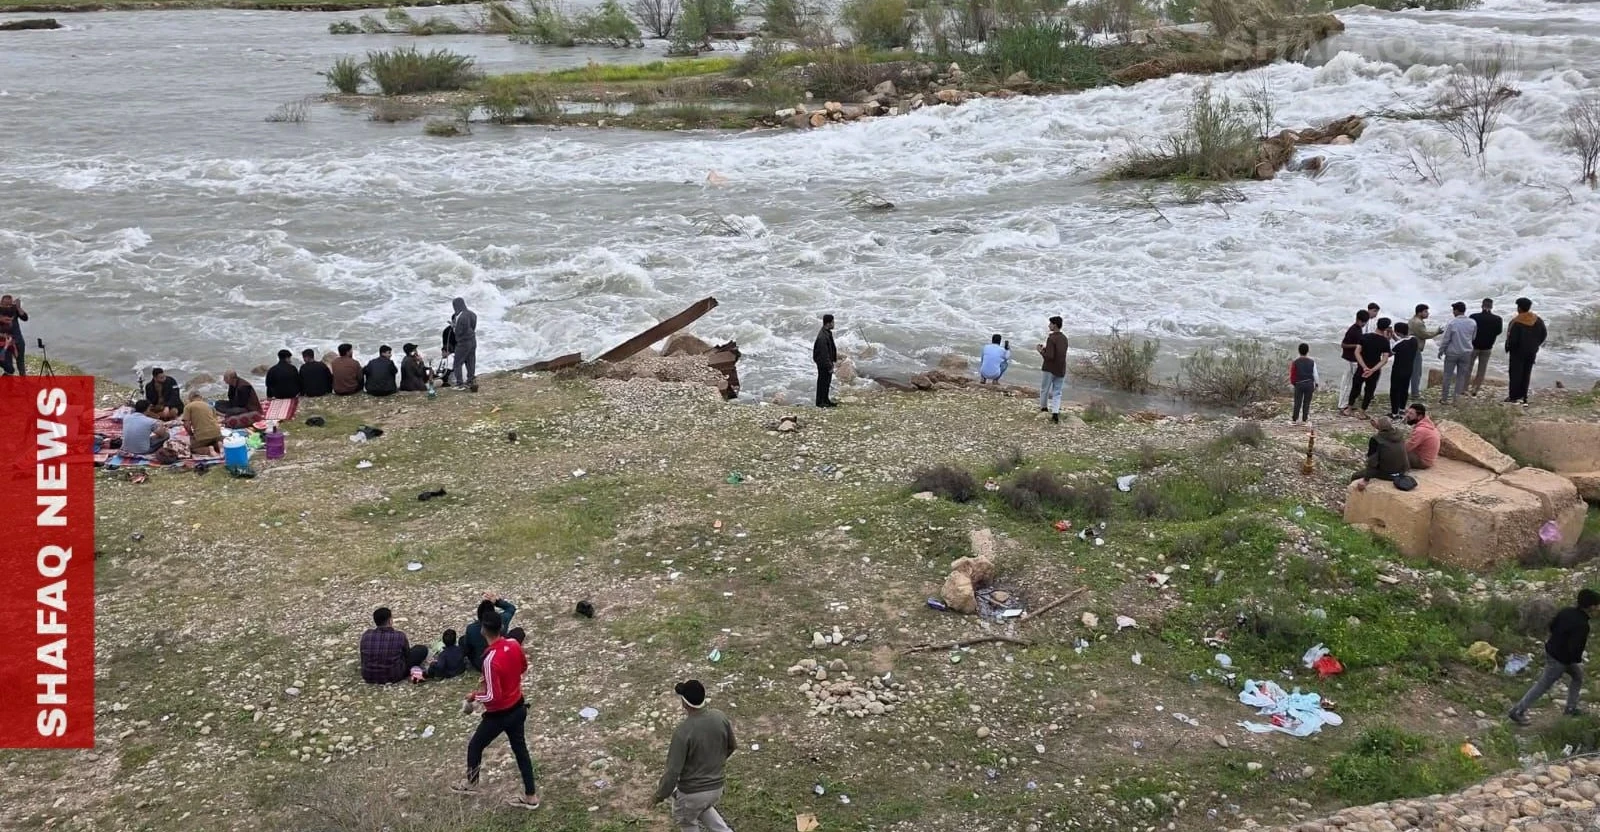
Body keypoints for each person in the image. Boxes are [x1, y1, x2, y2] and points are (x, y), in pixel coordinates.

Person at [453, 613, 539, 810]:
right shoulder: (514, 644)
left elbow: (494, 696)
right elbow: (522, 667)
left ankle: (471, 784)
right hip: (518, 706)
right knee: (521, 751)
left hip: (500, 714)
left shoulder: (490, 659)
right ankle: (531, 795)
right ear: (500, 628)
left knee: (475, 746)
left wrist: (475, 696)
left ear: (483, 629)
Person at [652, 679, 737, 832]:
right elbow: (731, 746)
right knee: (702, 808)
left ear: (684, 703)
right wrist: (713, 764)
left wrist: (659, 796)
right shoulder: (720, 717)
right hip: (716, 788)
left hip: (692, 793)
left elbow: (672, 772)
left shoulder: (683, 732)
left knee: (687, 820)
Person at [1509, 588, 1599, 725]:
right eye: (1598, 605)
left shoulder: (1566, 611)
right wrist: (1574, 660)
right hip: (1560, 660)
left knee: (1578, 677)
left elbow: (1552, 626)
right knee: (1543, 685)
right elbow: (1575, 649)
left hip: (1553, 651)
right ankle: (1517, 710)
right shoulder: (1582, 625)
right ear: (1592, 606)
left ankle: (1570, 708)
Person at [360, 607, 426, 685]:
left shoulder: (366, 635)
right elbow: (407, 655)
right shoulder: (399, 635)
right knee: (421, 649)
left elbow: (363, 657)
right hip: (394, 676)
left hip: (369, 676)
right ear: (390, 620)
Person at [1342, 317, 1391, 416]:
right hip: (1374, 369)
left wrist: (1364, 366)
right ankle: (1362, 412)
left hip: (1362, 367)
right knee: (1369, 390)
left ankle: (1349, 408)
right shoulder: (1385, 341)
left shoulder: (1365, 336)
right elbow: (1385, 359)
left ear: (1377, 325)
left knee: (1355, 387)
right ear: (1386, 328)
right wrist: (1372, 370)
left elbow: (1357, 352)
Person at [1505, 297, 1547, 406]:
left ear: (1519, 308)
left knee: (1515, 374)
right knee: (1526, 373)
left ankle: (1513, 396)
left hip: (1517, 353)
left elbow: (1512, 340)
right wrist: (1535, 345)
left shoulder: (1516, 321)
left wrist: (1510, 348)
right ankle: (1523, 396)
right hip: (1532, 351)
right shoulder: (1538, 320)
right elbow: (1543, 335)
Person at [1350, 415, 1410, 489]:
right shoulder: (1399, 434)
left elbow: (1372, 461)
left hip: (1386, 474)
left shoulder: (1376, 440)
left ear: (1379, 426)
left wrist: (1366, 480)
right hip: (1401, 472)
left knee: (1355, 476)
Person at [1436, 301, 1477, 405]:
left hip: (1452, 353)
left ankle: (1444, 398)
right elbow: (1473, 337)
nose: (1453, 312)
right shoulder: (1472, 322)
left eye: (1453, 310)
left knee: (1447, 375)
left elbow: (1446, 339)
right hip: (1466, 352)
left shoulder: (1452, 323)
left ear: (1456, 311)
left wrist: (1441, 350)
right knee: (1461, 376)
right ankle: (1456, 399)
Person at [463, 594, 517, 672]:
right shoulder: (501, 620)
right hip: (501, 659)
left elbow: (468, 649)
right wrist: (497, 602)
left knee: (463, 640)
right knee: (518, 632)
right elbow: (511, 608)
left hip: (481, 664)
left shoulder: (471, 628)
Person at [1037, 316, 1069, 424]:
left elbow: (1050, 356)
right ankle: (1055, 412)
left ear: (1055, 325)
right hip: (1061, 368)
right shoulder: (1064, 338)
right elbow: (1059, 353)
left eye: (1050, 323)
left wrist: (1041, 351)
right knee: (1057, 392)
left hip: (1049, 368)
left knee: (1044, 389)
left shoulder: (1051, 338)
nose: (1049, 325)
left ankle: (1044, 408)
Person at [1468, 298, 1503, 397]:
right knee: (1482, 369)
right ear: (1491, 307)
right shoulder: (1497, 319)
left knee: (1468, 367)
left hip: (1474, 346)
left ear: (1481, 305)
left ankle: (1464, 388)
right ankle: (1475, 389)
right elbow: (1498, 332)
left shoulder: (1474, 317)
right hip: (1487, 346)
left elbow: (1470, 330)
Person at [1406, 304, 1436, 399]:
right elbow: (1425, 335)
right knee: (1416, 372)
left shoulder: (1412, 320)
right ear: (1419, 313)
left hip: (1410, 348)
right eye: (1425, 311)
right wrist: (1437, 332)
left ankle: (1411, 391)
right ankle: (1415, 393)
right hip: (1415, 349)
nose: (1428, 313)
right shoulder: (1418, 323)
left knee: (1411, 371)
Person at [1338, 310, 1370, 396]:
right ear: (1357, 319)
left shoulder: (1359, 329)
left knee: (1351, 382)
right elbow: (1343, 344)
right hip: (1349, 359)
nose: (1363, 324)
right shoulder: (1353, 330)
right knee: (1347, 383)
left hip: (1353, 359)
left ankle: (1347, 402)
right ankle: (1342, 405)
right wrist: (1357, 345)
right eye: (1362, 322)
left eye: (1364, 322)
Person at [1388, 322, 1417, 418]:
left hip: (1398, 370)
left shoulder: (1398, 345)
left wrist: (1387, 339)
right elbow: (1402, 342)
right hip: (1409, 369)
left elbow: (1389, 353)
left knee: (1395, 391)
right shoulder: (1414, 340)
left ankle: (1394, 413)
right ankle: (1402, 409)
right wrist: (1394, 337)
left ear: (1397, 332)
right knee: (1404, 389)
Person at [450, 298, 478, 391]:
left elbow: (458, 332)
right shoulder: (472, 314)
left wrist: (454, 327)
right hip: (473, 340)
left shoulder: (461, 317)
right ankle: (470, 380)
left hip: (463, 342)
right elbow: (473, 327)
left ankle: (460, 384)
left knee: (457, 363)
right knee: (471, 361)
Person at [1288, 343, 1319, 424]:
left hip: (1299, 384)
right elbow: (1315, 374)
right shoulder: (1312, 362)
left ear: (1299, 351)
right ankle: (1304, 419)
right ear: (1308, 351)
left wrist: (1293, 383)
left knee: (1297, 402)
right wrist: (1316, 383)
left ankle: (1295, 419)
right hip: (1309, 384)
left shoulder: (1295, 362)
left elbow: (1292, 374)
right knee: (1307, 402)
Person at [812, 314, 837, 408]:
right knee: (822, 382)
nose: (834, 324)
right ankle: (820, 402)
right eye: (833, 322)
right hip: (823, 363)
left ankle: (825, 400)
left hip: (826, 362)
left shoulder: (827, 332)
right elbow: (824, 354)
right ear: (828, 323)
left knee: (826, 382)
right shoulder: (823, 336)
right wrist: (829, 366)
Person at [1403, 403, 1438, 470]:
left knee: (1394, 452)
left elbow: (1407, 447)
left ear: (1419, 416)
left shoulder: (1421, 430)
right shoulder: (1428, 424)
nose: (1407, 415)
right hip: (1428, 459)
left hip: (1423, 462)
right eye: (1407, 412)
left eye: (1411, 414)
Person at [0, 295, 28, 376]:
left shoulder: (14, 309)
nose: (8, 306)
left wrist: (19, 308)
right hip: (4, 341)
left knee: (20, 362)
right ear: (1, 303)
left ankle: (23, 381)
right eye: (6, 304)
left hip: (17, 338)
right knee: (8, 365)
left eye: (10, 304)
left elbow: (25, 318)